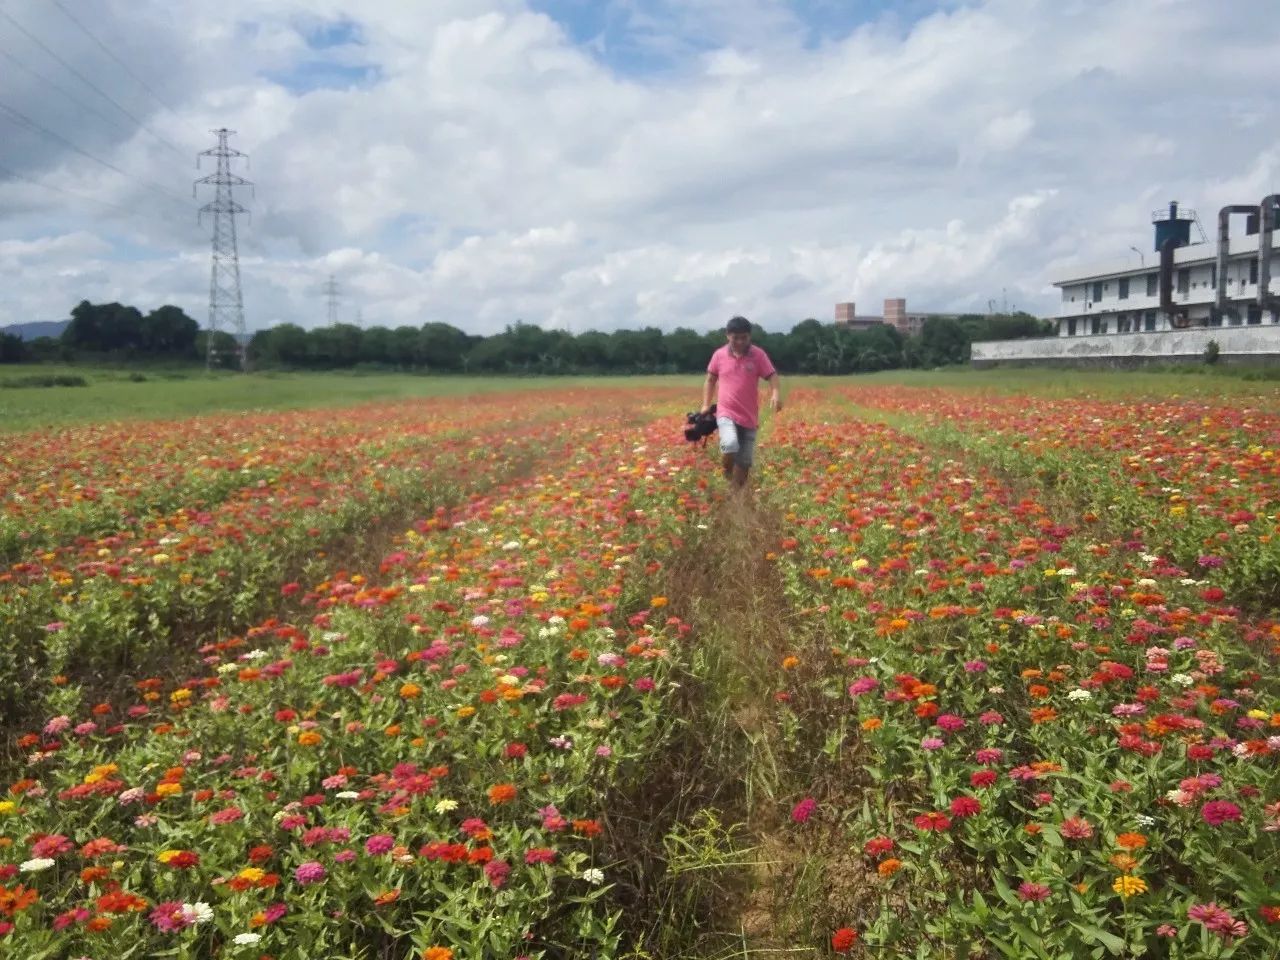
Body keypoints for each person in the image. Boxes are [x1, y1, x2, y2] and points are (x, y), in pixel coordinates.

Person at [701, 315, 782, 489]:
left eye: (743, 337)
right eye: (735, 337)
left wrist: (775, 393)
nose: (739, 341)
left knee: (744, 462)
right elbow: (710, 380)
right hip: (726, 412)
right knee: (729, 445)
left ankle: (736, 496)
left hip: (749, 416)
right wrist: (706, 405)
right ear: (727, 336)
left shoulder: (758, 355)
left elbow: (772, 376)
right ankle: (727, 472)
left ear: (749, 336)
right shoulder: (719, 355)